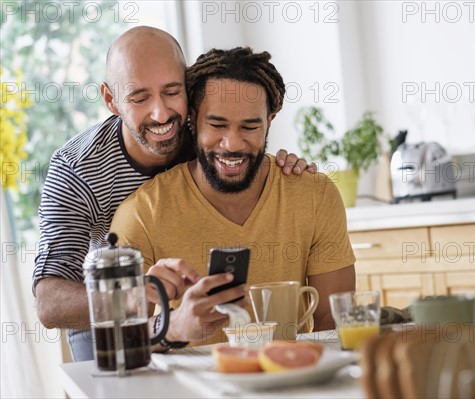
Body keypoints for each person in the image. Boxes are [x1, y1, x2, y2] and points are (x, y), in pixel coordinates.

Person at [33, 27, 314, 361]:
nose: (161, 113)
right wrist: (138, 297)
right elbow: (49, 303)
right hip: (105, 311)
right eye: (139, 97)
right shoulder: (77, 170)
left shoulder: (205, 135)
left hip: (182, 308)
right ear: (111, 99)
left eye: (171, 91)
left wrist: (283, 169)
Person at [110, 47, 356, 348]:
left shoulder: (314, 196)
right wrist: (173, 327)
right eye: (217, 125)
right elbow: (119, 341)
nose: (232, 143)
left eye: (250, 126)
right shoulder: (142, 213)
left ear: (270, 119)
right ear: (192, 119)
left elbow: (333, 325)